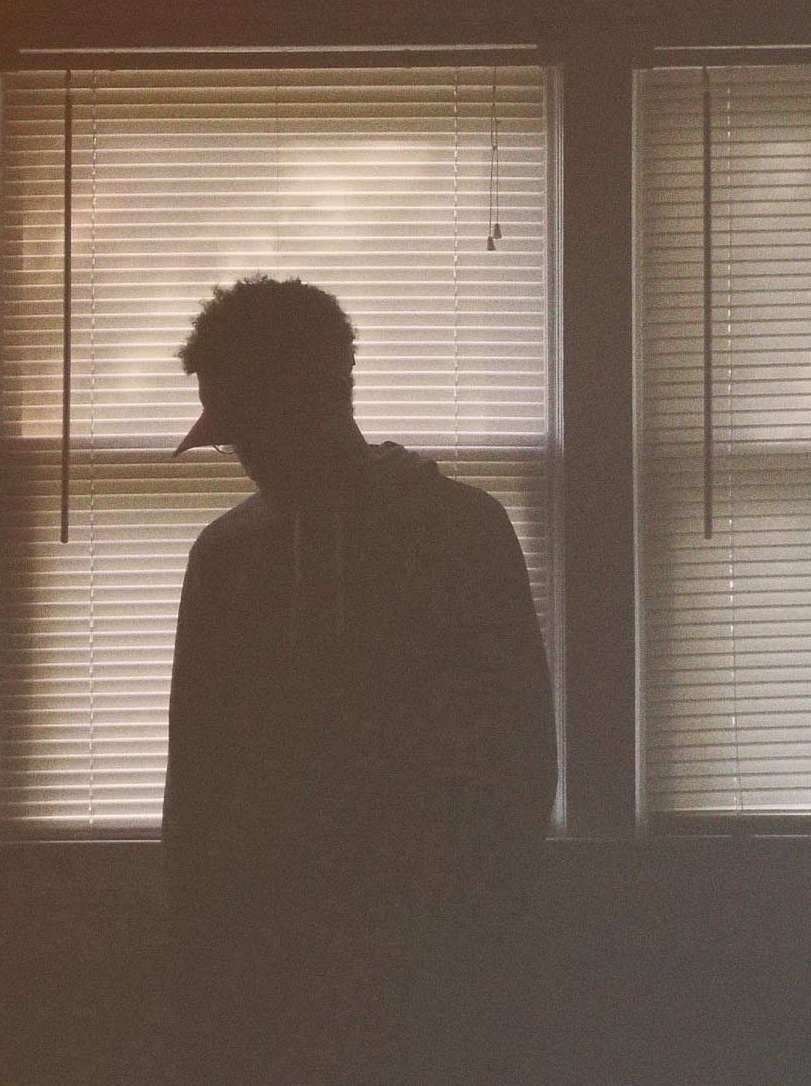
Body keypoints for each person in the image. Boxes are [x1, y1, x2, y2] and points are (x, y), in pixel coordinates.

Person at [160, 274, 556, 1082]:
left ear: (319, 395)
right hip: (262, 952)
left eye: (252, 422)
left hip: (431, 949)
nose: (243, 451)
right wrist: (199, 934)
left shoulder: (461, 532)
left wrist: (479, 913)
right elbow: (195, 769)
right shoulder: (224, 554)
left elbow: (520, 751)